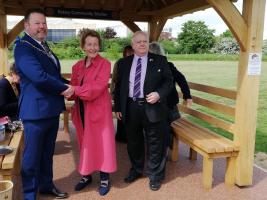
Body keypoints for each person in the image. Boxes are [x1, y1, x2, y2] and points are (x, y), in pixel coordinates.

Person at [14, 8, 71, 200]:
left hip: (51, 109)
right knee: (31, 157)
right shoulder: (23, 47)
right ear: (26, 25)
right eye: (37, 23)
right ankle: (29, 194)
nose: (42, 27)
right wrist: (64, 88)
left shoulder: (43, 45)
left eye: (44, 23)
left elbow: (52, 75)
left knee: (47, 153)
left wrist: (72, 85)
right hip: (35, 111)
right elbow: (38, 76)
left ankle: (46, 185)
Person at [114, 31, 173, 191]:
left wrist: (159, 94)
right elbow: (118, 87)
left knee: (155, 142)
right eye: (138, 42)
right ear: (132, 45)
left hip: (152, 107)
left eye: (144, 41)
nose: (141, 44)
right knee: (133, 141)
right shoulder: (124, 63)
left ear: (148, 43)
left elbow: (169, 82)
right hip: (131, 107)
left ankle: (155, 175)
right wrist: (118, 107)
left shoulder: (160, 60)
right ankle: (137, 169)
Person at [68, 29, 116, 196]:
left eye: (95, 44)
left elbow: (97, 87)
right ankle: (86, 175)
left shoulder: (105, 64)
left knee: (102, 144)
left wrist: (75, 89)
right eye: (89, 44)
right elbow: (74, 88)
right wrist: (68, 90)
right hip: (81, 111)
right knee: (84, 143)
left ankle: (104, 178)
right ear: (83, 46)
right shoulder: (77, 66)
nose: (93, 48)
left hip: (99, 112)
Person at [148, 42, 192, 152]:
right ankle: (163, 148)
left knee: (170, 125)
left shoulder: (168, 65)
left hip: (168, 103)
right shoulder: (152, 66)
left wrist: (187, 95)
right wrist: (187, 95)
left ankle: (167, 148)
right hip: (157, 104)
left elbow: (181, 78)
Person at [110, 45, 134, 143]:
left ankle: (128, 136)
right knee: (121, 113)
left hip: (131, 95)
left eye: (131, 52)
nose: (130, 54)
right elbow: (115, 78)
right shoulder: (120, 62)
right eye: (129, 52)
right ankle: (121, 135)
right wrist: (113, 91)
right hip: (120, 92)